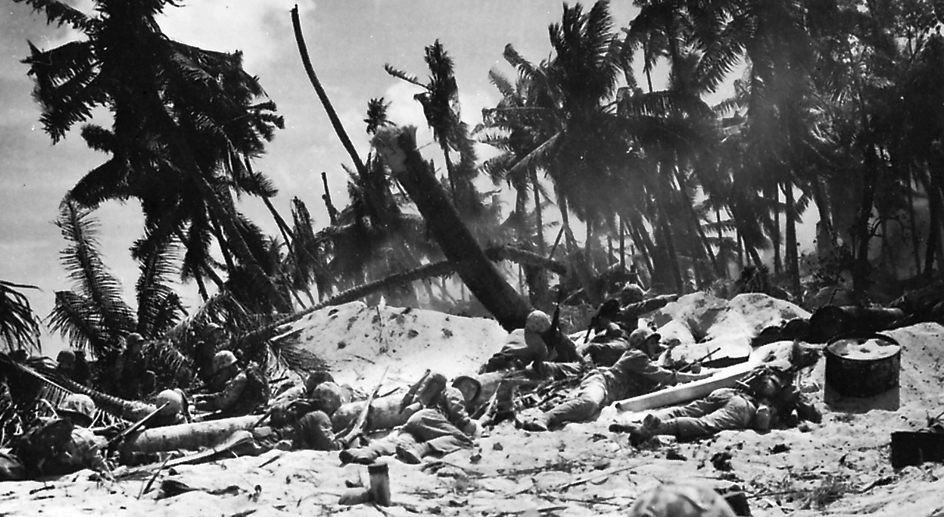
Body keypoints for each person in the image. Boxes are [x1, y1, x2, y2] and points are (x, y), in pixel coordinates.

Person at [521, 328, 711, 431]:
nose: (655, 346)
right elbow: (664, 375)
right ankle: (545, 418)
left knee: (589, 409)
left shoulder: (645, 360)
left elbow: (662, 370)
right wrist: (700, 377)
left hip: (610, 394)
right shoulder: (635, 356)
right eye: (651, 342)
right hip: (601, 381)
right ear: (642, 344)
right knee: (588, 404)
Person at [611, 366, 821, 446]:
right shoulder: (789, 390)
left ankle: (643, 423)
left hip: (726, 392)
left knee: (686, 410)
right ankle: (659, 428)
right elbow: (816, 415)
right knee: (705, 424)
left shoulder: (763, 370)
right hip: (743, 407)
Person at [338, 372, 483, 465]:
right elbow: (460, 417)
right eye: (467, 386)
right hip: (430, 418)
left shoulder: (441, 394)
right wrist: (473, 426)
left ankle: (365, 452)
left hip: (418, 421)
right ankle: (420, 449)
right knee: (464, 440)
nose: (469, 391)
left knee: (401, 443)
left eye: (473, 390)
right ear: (458, 384)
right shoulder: (454, 392)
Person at [192, 350, 268, 418]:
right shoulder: (238, 377)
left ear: (228, 367)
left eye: (221, 371)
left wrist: (198, 406)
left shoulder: (239, 379)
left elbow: (223, 403)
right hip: (241, 414)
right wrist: (203, 397)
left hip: (241, 416)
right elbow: (223, 395)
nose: (220, 375)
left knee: (200, 420)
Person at [117, 333, 149, 400]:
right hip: (124, 381)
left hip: (135, 382)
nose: (141, 346)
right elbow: (118, 374)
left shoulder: (140, 356)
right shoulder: (124, 356)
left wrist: (145, 363)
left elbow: (142, 373)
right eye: (138, 343)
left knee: (150, 375)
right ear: (132, 345)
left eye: (141, 343)